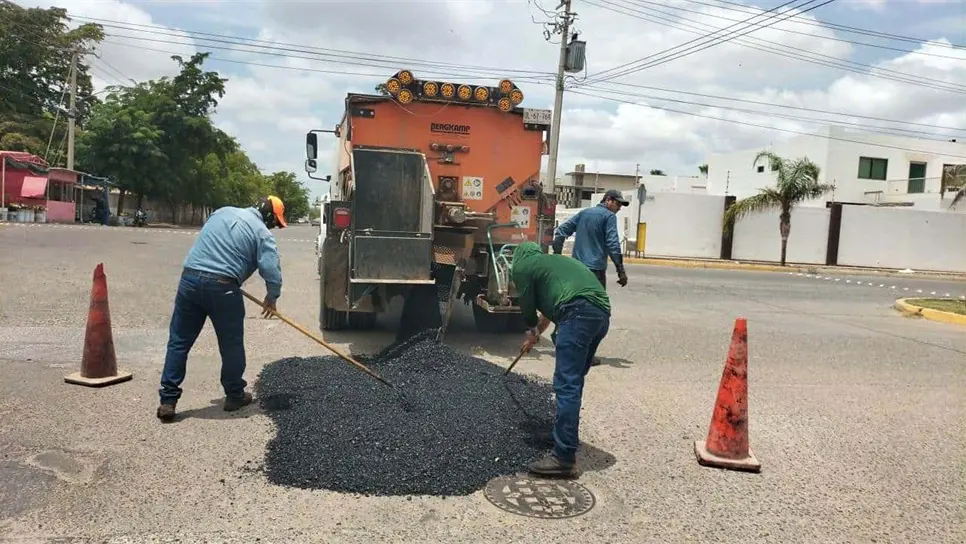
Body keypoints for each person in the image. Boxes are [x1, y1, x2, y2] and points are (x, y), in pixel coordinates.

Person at [156, 196, 287, 422]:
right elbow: (270, 269)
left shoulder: (221, 212)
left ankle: (168, 400)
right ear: (268, 216)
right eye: (274, 222)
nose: (273, 227)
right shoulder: (262, 233)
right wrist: (271, 297)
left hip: (190, 281)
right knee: (231, 344)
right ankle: (235, 395)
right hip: (223, 288)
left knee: (179, 341)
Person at [511, 241, 611, 478]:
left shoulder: (523, 266)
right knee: (574, 381)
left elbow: (526, 305)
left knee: (567, 384)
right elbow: (550, 309)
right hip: (600, 315)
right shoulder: (553, 263)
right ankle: (562, 433)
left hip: (577, 312)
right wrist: (537, 333)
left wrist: (530, 327)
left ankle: (564, 458)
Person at [550, 188, 629, 366]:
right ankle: (586, 354)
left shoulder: (584, 213)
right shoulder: (609, 217)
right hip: (594, 272)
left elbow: (561, 231)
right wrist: (620, 270)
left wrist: (557, 255)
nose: (619, 208)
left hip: (576, 269)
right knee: (597, 312)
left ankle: (559, 335)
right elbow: (613, 243)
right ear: (608, 200)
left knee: (571, 305)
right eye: (617, 203)